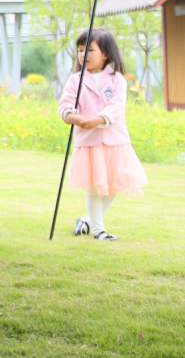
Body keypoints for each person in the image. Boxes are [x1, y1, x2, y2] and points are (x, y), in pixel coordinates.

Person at [60, 28, 147, 241]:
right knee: (94, 187)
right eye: (80, 50)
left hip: (115, 141)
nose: (83, 55)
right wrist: (74, 117)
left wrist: (99, 119)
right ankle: (99, 230)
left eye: (89, 50)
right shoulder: (75, 80)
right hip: (89, 142)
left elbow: (117, 106)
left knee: (114, 185)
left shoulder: (117, 79)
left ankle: (88, 221)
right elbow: (66, 105)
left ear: (105, 54)